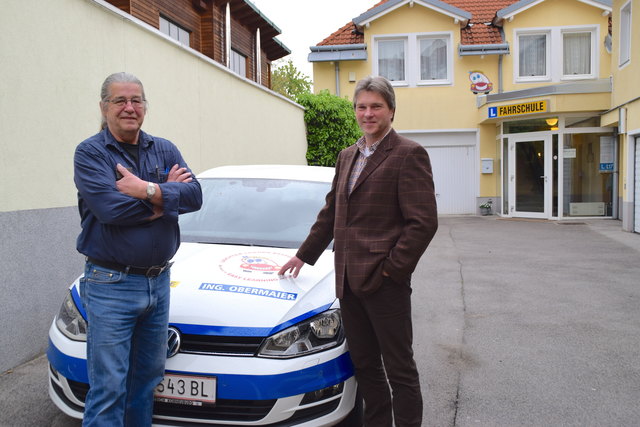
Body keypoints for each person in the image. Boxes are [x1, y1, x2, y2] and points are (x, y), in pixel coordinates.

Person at [278, 75, 438, 426]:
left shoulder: (409, 155)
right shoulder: (347, 156)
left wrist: (392, 270)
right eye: (362, 107)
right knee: (365, 366)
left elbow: (423, 223)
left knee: (400, 370)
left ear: (391, 110)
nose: (368, 113)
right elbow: (332, 212)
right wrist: (304, 255)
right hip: (347, 283)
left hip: (385, 286)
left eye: (376, 106)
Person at [74, 72, 202, 426]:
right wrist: (165, 197)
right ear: (104, 107)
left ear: (145, 107)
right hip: (111, 284)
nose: (129, 108)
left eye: (136, 101)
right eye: (120, 101)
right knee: (109, 388)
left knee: (146, 382)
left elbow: (196, 196)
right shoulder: (91, 153)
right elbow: (109, 210)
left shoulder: (164, 148)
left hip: (158, 283)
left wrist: (145, 190)